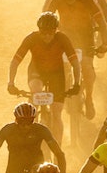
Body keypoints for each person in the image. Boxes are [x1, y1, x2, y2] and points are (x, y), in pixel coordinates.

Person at [42, 0, 107, 119]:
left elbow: (101, 21)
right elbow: (46, 17)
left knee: (87, 67)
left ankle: (89, 98)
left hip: (85, 37)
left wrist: (104, 42)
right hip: (64, 36)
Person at [9, 13, 81, 147]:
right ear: (39, 30)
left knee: (56, 113)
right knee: (36, 91)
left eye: (50, 33)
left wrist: (77, 83)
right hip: (37, 72)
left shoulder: (62, 38)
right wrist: (11, 83)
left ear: (56, 30)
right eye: (43, 33)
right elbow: (15, 61)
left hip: (56, 75)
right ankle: (30, 127)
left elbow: (75, 63)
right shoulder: (31, 38)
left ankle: (58, 148)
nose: (47, 36)